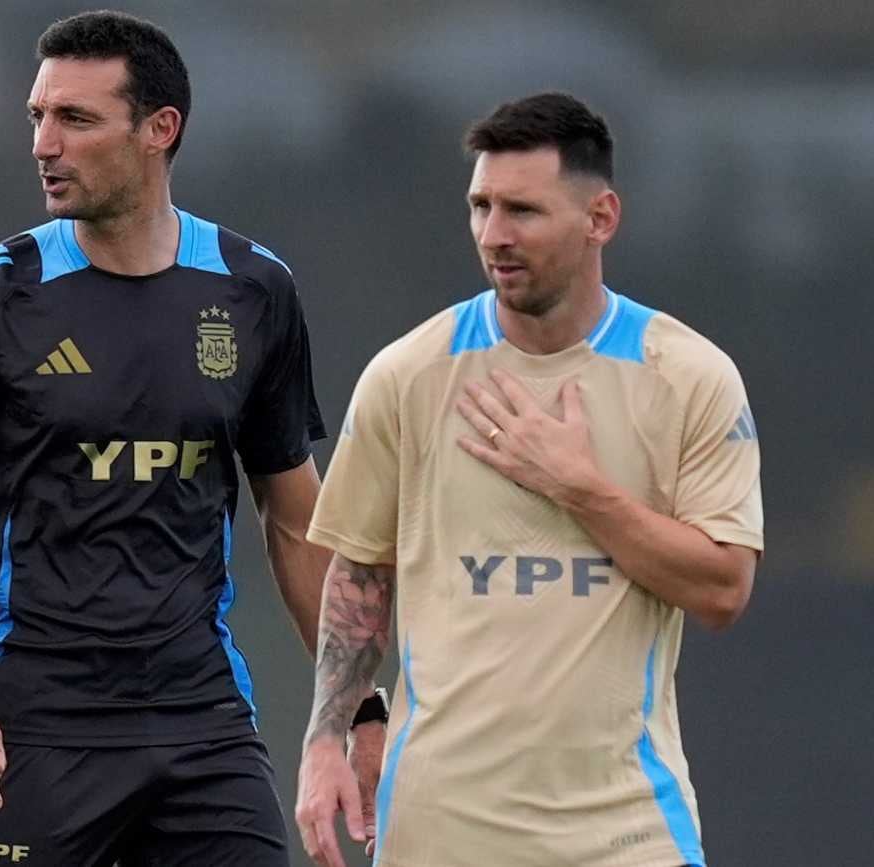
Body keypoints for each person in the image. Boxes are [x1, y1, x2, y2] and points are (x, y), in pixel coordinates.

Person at [0, 11, 384, 866]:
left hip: (202, 723)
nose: (44, 143)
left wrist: (359, 709)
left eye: (75, 119)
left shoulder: (254, 290)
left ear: (160, 130)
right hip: (31, 728)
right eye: (37, 116)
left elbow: (298, 524)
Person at [295, 92, 763, 867]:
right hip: (437, 830)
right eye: (481, 206)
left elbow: (722, 590)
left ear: (600, 218)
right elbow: (360, 575)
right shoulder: (408, 374)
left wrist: (580, 486)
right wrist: (324, 741)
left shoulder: (688, 377)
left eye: (523, 210)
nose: (494, 235)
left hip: (627, 832)